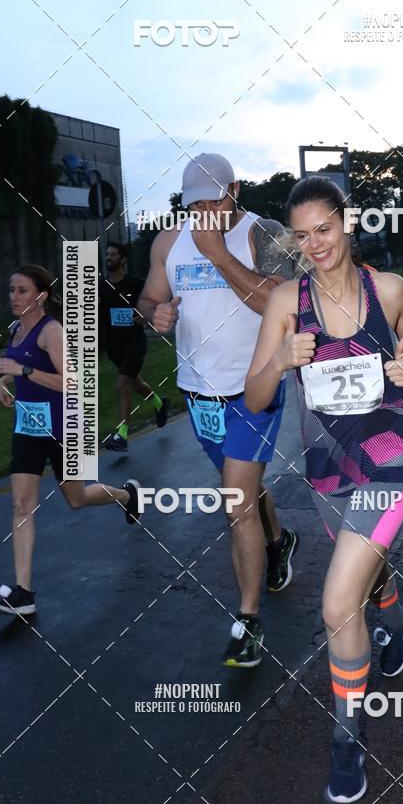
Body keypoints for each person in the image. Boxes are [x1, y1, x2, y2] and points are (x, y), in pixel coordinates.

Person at [245, 177, 403, 804]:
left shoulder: (389, 289)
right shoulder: (283, 304)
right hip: (328, 468)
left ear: (346, 223)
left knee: (335, 605)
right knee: (365, 574)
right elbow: (256, 397)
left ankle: (346, 739)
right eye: (301, 236)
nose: (315, 244)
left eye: (324, 229)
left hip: (390, 462)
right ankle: (396, 614)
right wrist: (281, 360)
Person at [138, 153, 299, 668]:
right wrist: (154, 315)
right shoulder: (168, 241)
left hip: (255, 386)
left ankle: (247, 622)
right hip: (198, 393)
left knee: (235, 502)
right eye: (194, 204)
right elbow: (145, 300)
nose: (203, 211)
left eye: (212, 199)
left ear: (234, 190)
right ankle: (279, 540)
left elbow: (282, 304)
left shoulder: (264, 232)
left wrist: (219, 257)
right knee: (243, 491)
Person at [0, 265, 140, 616]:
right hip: (28, 428)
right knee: (20, 506)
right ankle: (23, 592)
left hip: (65, 427)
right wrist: (3, 384)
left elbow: (72, 383)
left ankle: (127, 495)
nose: (14, 296)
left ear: (41, 296)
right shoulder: (15, 330)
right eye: (12, 289)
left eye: (23, 290)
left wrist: (22, 372)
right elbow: (15, 369)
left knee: (76, 498)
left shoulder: (51, 331)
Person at [99, 242, 169, 452]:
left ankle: (122, 435)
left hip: (135, 343)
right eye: (107, 254)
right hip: (114, 346)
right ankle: (159, 403)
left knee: (123, 384)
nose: (108, 257)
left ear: (123, 260)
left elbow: (152, 304)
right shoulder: (101, 286)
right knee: (135, 382)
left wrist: (145, 318)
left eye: (113, 254)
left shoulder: (136, 284)